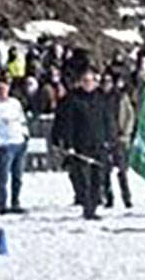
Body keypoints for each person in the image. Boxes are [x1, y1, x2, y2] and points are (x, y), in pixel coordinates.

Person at [52, 68, 113, 220]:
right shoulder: (73, 99)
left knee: (98, 178)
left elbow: (108, 120)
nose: (88, 84)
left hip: (98, 144)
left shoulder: (101, 98)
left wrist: (109, 139)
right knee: (83, 179)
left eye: (91, 81)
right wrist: (68, 144)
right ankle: (87, 207)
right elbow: (68, 123)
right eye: (85, 81)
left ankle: (94, 204)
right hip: (80, 145)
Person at [0, 78, 28, 214]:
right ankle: (1, 204)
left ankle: (15, 202)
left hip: (19, 142)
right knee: (2, 177)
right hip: (5, 145)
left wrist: (25, 134)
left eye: (4, 88)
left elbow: (22, 120)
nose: (2, 91)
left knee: (18, 177)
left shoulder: (15, 103)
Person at [100, 73, 134, 210]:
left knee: (122, 170)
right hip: (103, 138)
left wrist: (125, 134)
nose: (106, 84)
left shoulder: (120, 97)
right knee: (104, 171)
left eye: (108, 81)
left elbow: (130, 116)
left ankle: (127, 197)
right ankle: (108, 198)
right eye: (103, 82)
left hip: (118, 137)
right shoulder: (98, 98)